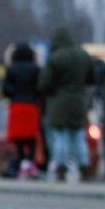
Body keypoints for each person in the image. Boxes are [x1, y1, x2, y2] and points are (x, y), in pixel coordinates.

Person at [38, 28, 96, 183]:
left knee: (60, 136)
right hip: (79, 101)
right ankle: (85, 168)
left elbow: (44, 84)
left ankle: (61, 169)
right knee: (78, 136)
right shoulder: (83, 56)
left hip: (59, 102)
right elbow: (92, 78)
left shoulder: (55, 58)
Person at [2, 43, 41, 179]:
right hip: (31, 105)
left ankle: (20, 161)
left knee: (18, 138)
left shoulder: (11, 69)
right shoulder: (36, 69)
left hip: (17, 105)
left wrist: (14, 93)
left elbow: (5, 90)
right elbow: (40, 88)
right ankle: (29, 164)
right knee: (31, 138)